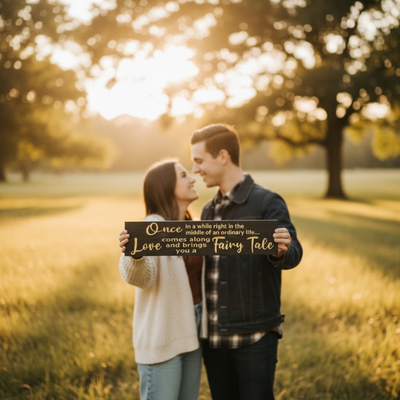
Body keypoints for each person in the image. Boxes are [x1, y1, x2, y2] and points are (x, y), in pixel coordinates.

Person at [190, 124, 303, 400]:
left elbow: (294, 253)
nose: (195, 169)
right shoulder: (208, 209)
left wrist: (279, 251)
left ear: (223, 157)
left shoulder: (266, 201)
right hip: (214, 340)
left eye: (199, 161)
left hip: (254, 338)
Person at [118, 159, 207, 400]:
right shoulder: (152, 227)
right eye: (184, 175)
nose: (192, 179)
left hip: (193, 334)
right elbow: (140, 277)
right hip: (163, 338)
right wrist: (135, 255)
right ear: (166, 186)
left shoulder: (193, 228)